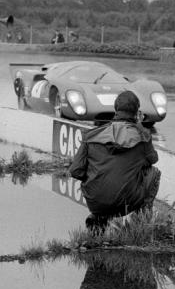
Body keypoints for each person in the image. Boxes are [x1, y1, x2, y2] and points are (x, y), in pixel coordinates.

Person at [69, 90, 161, 230]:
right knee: (153, 173)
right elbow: (153, 159)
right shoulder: (142, 138)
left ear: (116, 109)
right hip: (126, 204)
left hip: (95, 202)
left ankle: (99, 218)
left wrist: (95, 176)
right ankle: (141, 224)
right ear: (137, 112)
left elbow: (75, 171)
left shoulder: (92, 135)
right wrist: (141, 127)